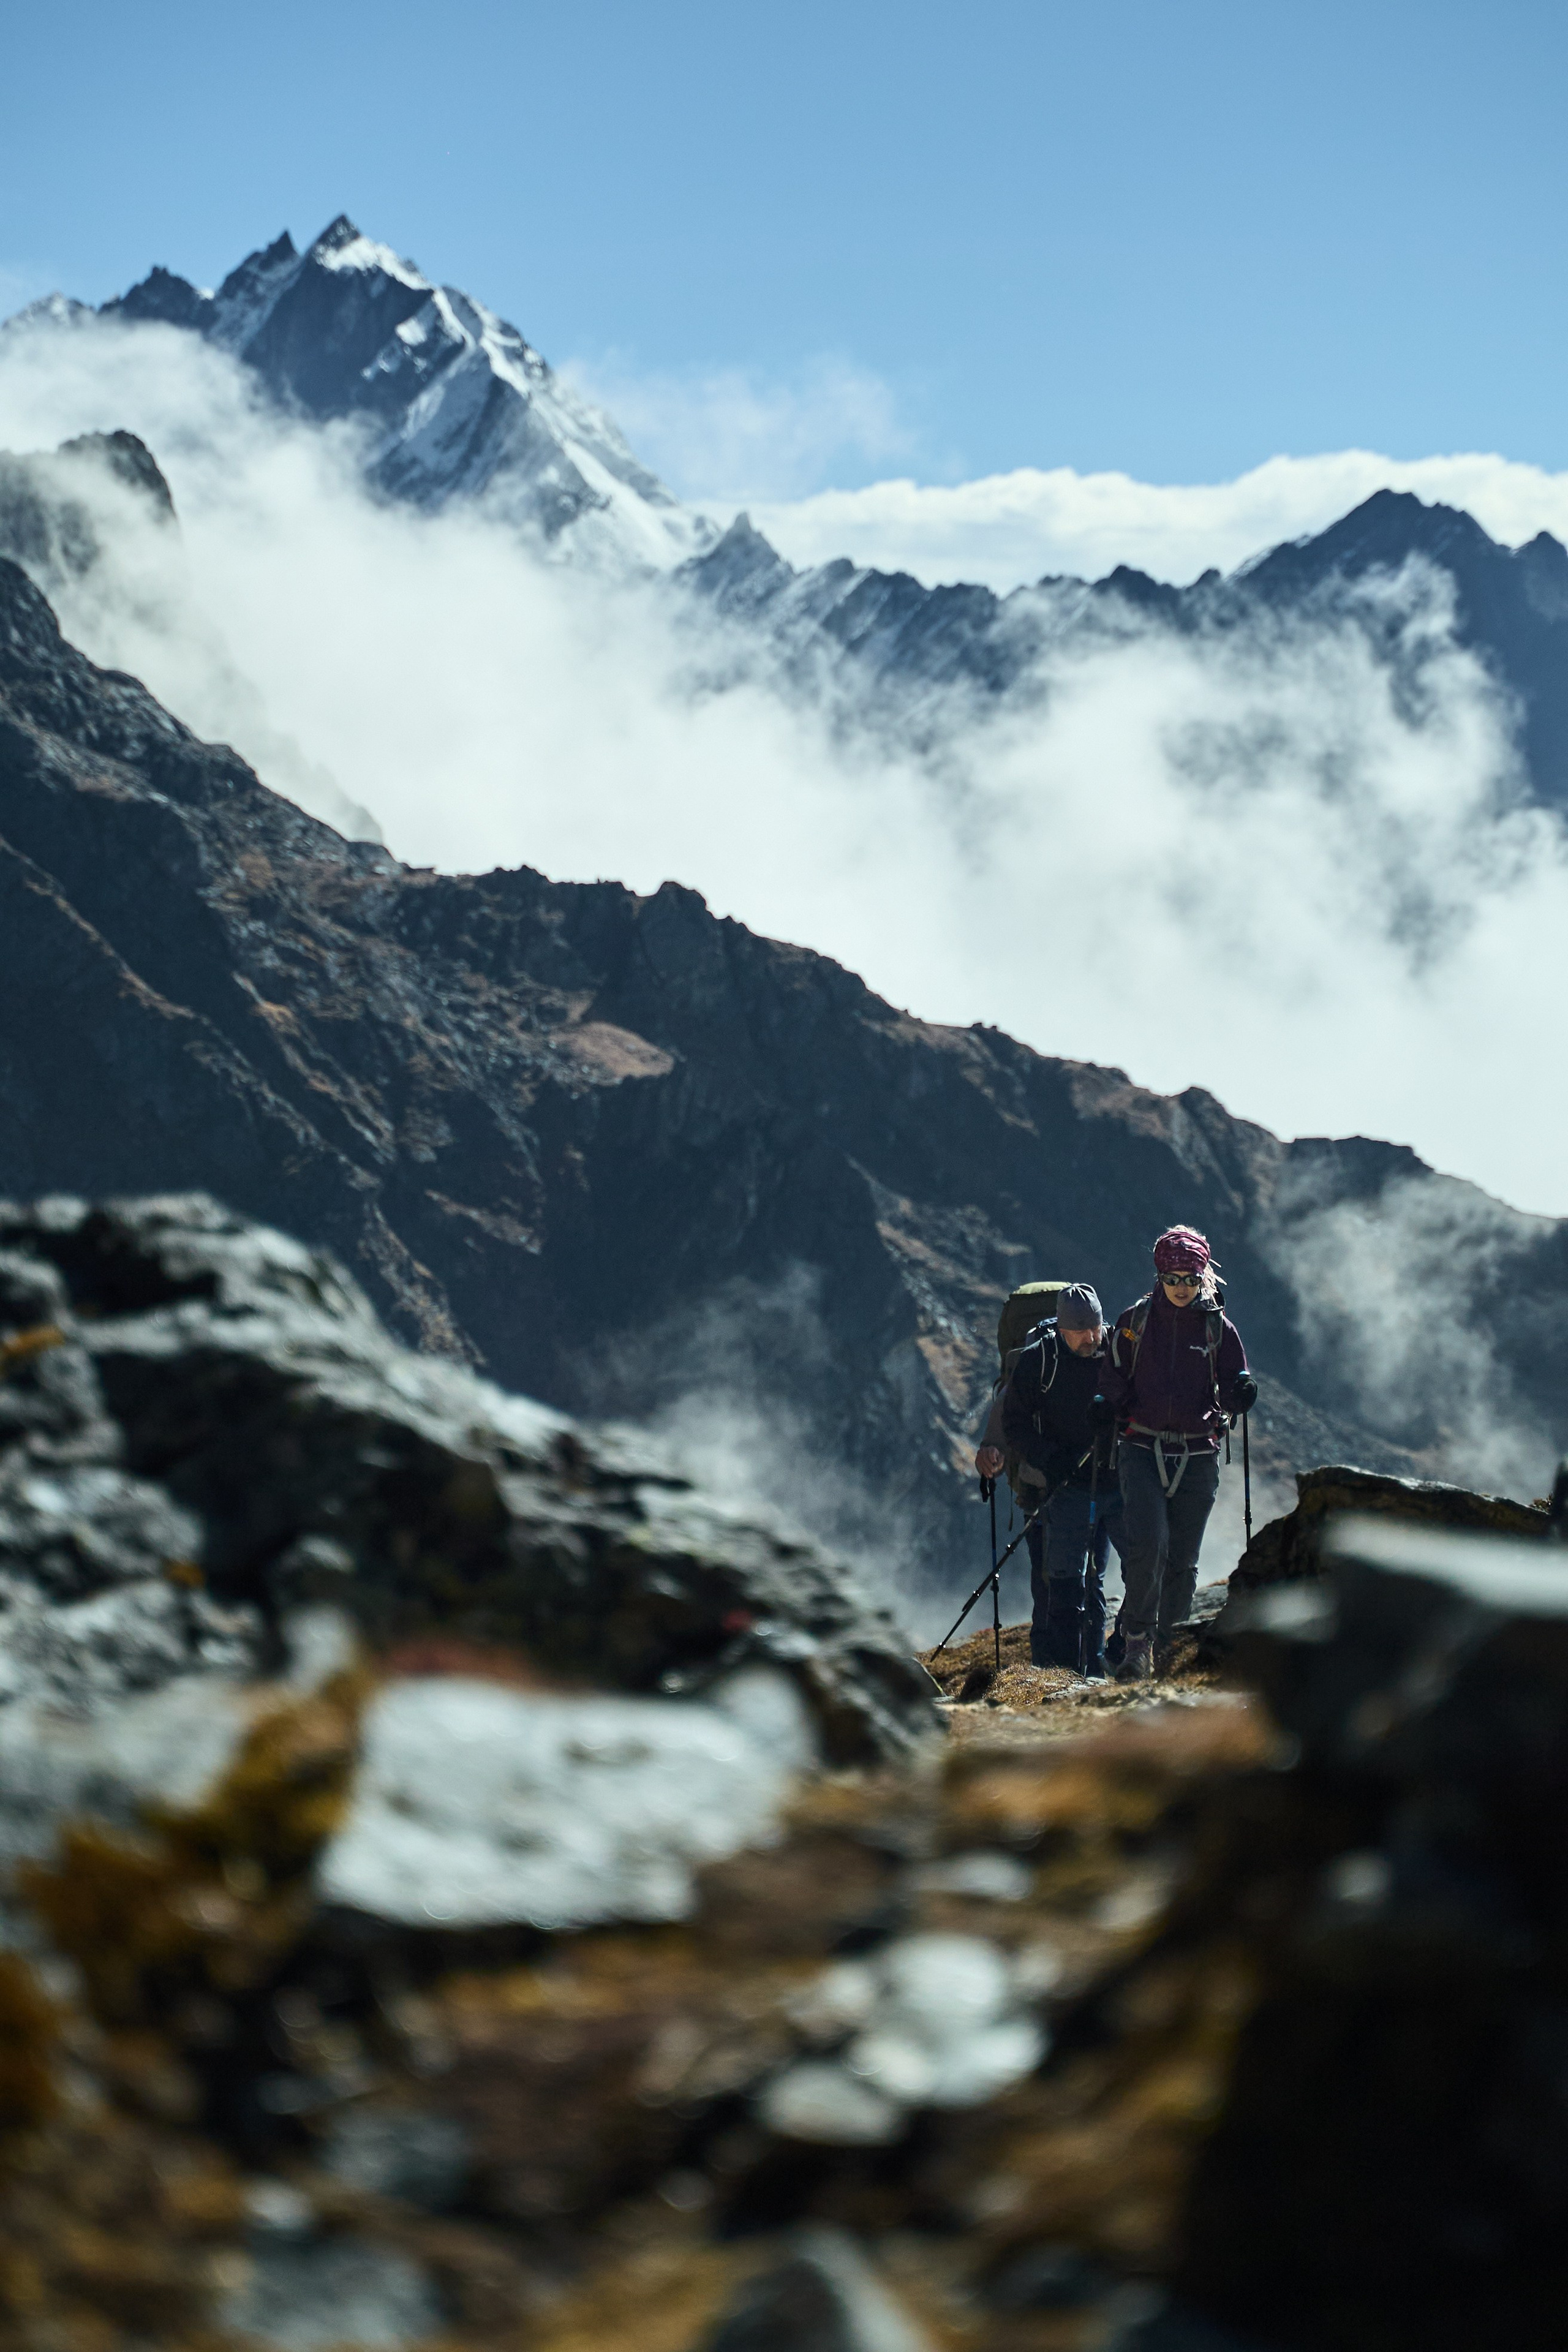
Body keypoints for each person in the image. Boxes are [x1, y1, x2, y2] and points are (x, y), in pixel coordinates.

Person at [1097, 1225, 1256, 1683]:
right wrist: (1104, 1403)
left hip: (1198, 1453)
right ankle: (1138, 1646)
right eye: (1173, 1278)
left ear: (1204, 1276)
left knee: (1183, 1560)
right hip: (1141, 1447)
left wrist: (1242, 1390)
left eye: (1191, 1278)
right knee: (1149, 1546)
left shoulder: (1218, 1329)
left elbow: (1232, 1384)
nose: (1182, 1287)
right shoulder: (1135, 1322)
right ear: (1159, 1275)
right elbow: (1112, 1377)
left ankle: (1169, 1649)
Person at [998, 1283, 1125, 1676]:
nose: (1091, 1338)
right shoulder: (1040, 1361)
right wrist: (1052, 1460)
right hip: (1068, 1488)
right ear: (1062, 1329)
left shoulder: (1120, 1356)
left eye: (1097, 1328)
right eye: (1081, 1331)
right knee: (1069, 1582)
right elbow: (1015, 1423)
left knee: (1135, 1571)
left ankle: (1110, 1659)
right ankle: (1071, 1676)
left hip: (1119, 1485)